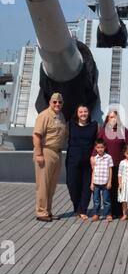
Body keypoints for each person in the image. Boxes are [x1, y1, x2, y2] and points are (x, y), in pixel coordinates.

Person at [32, 93, 67, 222]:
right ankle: (41, 212)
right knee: (43, 185)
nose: (57, 104)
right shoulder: (44, 116)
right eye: (54, 102)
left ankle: (48, 211)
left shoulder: (61, 116)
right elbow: (36, 136)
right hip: (46, 152)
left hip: (57, 153)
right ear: (50, 103)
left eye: (59, 102)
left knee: (51, 185)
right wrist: (39, 154)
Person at [97, 110, 128, 218]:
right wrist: (93, 156)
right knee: (109, 188)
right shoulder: (103, 131)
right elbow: (97, 145)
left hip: (121, 164)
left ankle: (120, 211)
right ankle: (109, 211)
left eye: (114, 117)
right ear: (107, 119)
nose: (113, 119)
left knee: (120, 187)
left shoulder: (123, 130)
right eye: (110, 117)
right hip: (107, 164)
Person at [66, 104, 98, 220]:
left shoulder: (94, 125)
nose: (83, 114)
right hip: (72, 159)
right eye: (81, 112)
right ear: (77, 114)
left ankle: (82, 209)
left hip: (88, 161)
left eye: (85, 111)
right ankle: (77, 207)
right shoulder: (70, 125)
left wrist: (95, 156)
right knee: (72, 184)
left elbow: (97, 143)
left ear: (88, 113)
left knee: (87, 186)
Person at [90, 139, 114, 222]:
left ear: (105, 147)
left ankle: (108, 214)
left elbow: (110, 170)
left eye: (102, 147)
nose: (100, 149)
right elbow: (93, 171)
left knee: (106, 200)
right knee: (96, 200)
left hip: (105, 183)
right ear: (95, 148)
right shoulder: (95, 158)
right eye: (98, 147)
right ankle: (96, 214)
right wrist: (92, 183)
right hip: (96, 182)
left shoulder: (108, 157)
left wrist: (109, 182)